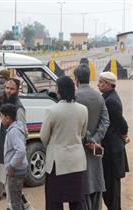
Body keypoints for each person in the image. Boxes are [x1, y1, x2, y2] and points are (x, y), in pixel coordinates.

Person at [41, 76, 88, 210]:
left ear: (59, 91)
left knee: (54, 201)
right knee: (77, 200)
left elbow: (44, 137)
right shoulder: (83, 109)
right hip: (77, 161)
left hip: (57, 163)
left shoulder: (51, 110)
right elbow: (83, 134)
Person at [74, 64, 110, 210]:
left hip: (80, 148)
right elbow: (105, 120)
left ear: (76, 79)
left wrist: (89, 139)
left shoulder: (74, 97)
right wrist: (96, 139)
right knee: (96, 183)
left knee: (83, 187)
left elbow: (77, 123)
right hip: (96, 150)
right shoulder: (98, 97)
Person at [97, 72, 130, 210]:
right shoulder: (107, 97)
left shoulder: (111, 101)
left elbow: (122, 124)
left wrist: (124, 135)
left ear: (109, 85)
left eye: (101, 82)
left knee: (112, 191)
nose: (98, 84)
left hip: (112, 151)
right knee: (109, 189)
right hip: (110, 148)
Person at [1, 103, 28, 210]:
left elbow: (21, 151)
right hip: (18, 171)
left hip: (15, 172)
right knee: (16, 198)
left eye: (1, 116)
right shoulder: (15, 128)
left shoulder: (14, 131)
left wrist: (11, 166)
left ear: (7, 118)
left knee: (14, 202)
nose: (0, 119)